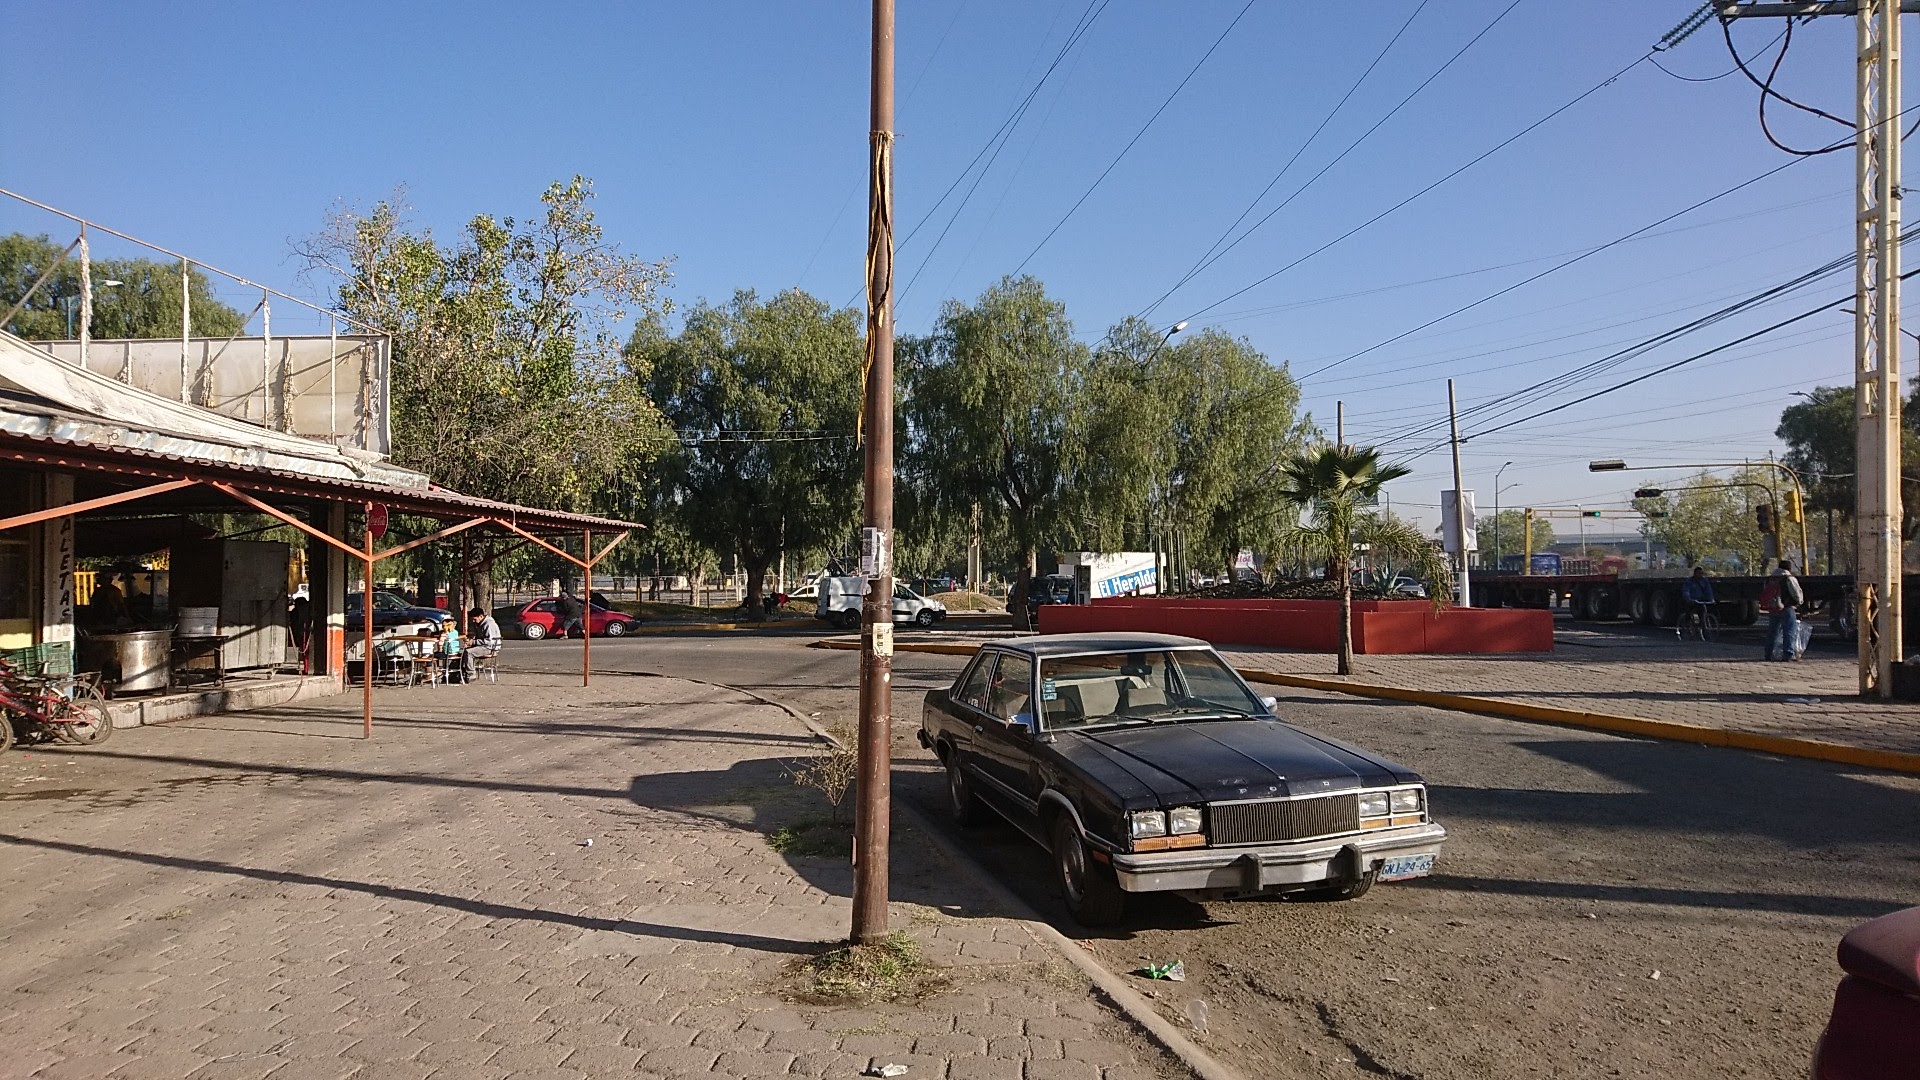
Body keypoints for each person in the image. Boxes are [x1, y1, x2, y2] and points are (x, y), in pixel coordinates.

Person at [1761, 559, 1805, 662]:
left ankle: (1768, 654)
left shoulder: (1770, 578)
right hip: (1786, 607)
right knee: (1789, 630)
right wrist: (1799, 602)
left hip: (1773, 608)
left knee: (1772, 631)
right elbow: (1796, 593)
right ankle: (1788, 654)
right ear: (1789, 568)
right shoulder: (1789, 578)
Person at [463, 606, 502, 681]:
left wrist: (473, 642)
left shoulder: (489, 624)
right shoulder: (481, 623)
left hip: (490, 648)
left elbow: (489, 641)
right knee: (463, 651)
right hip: (485, 646)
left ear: (481, 616)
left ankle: (471, 674)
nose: (474, 621)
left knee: (468, 653)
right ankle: (461, 672)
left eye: (475, 619)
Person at [1679, 567, 1715, 633]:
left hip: (1700, 601)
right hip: (1691, 601)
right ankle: (1688, 625)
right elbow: (1686, 591)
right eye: (1699, 573)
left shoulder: (1704, 581)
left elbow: (1708, 590)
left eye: (1701, 573)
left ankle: (1703, 626)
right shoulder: (1689, 581)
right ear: (1695, 573)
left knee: (1703, 611)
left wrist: (1711, 599)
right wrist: (1689, 599)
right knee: (1689, 611)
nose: (1700, 574)